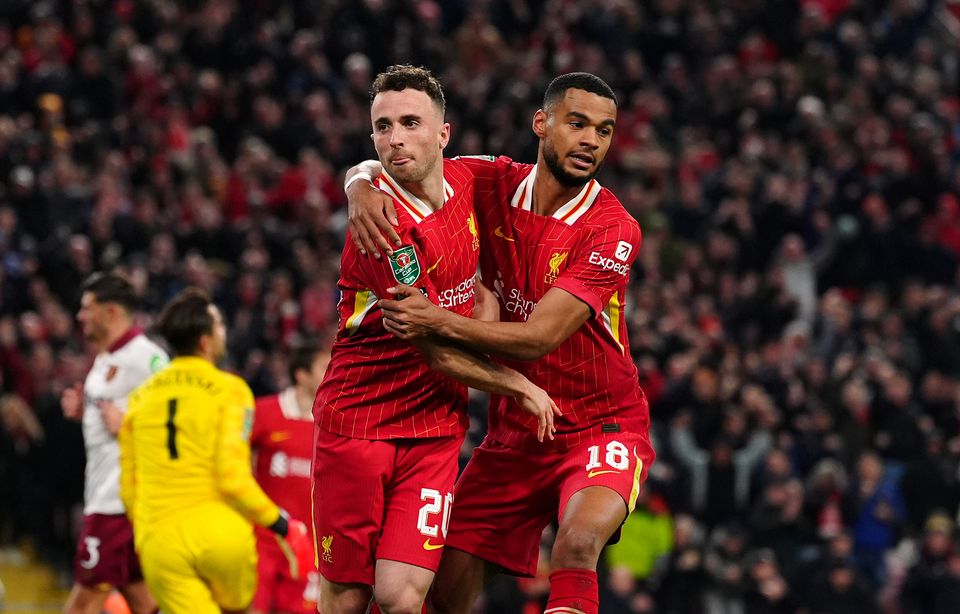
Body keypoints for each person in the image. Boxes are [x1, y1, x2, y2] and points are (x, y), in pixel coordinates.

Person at [347, 72, 655, 614]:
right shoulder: (488, 182)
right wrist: (360, 184)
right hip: (515, 433)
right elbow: (411, 157)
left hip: (600, 424)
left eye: (603, 132)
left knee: (577, 544)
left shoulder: (613, 229)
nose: (589, 141)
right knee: (435, 592)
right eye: (576, 123)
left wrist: (435, 322)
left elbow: (536, 338)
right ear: (542, 123)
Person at [312, 64, 560, 614]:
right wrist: (516, 384)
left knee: (401, 597)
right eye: (382, 127)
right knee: (347, 599)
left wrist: (355, 178)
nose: (395, 138)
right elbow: (435, 348)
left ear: (444, 134)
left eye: (409, 123)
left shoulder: (469, 179)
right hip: (359, 423)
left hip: (434, 429)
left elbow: (543, 175)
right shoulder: (381, 230)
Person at [118, 288, 312, 614]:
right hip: (221, 537)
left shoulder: (139, 399)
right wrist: (282, 525)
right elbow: (232, 477)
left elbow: (128, 491)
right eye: (219, 326)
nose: (224, 332)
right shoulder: (231, 390)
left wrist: (150, 530)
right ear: (205, 342)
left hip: (158, 540)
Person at [62, 272, 168, 614]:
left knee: (82, 603)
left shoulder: (147, 358)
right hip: (110, 495)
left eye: (86, 308)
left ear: (111, 311)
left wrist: (130, 425)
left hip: (117, 504)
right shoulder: (106, 358)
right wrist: (84, 412)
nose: (80, 316)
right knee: (142, 599)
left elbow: (176, 417)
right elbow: (114, 413)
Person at [250, 342, 330, 614]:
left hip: (308, 548)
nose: (332, 373)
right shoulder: (264, 412)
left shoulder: (334, 424)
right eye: (324, 367)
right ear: (301, 374)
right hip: (263, 541)